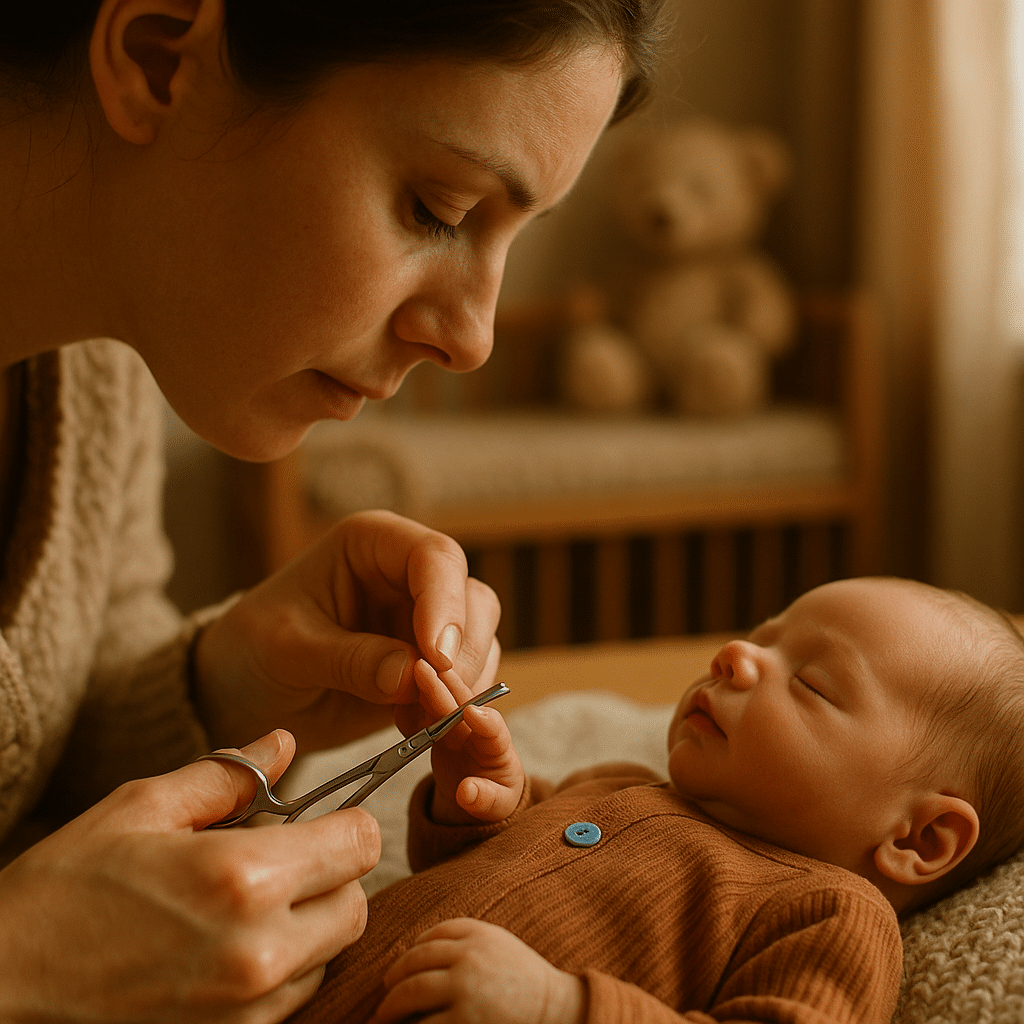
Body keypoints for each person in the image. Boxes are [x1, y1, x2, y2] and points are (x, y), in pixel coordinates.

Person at [0, 1, 667, 1020]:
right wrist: (26, 961)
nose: (471, 335)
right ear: (158, 56)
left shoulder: (96, 360)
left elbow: (48, 708)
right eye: (437, 207)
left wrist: (225, 681)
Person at [283, 576, 1024, 1024]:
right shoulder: (613, 782)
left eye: (813, 683)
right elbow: (462, 868)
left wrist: (559, 1008)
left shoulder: (829, 913)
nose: (737, 656)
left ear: (920, 839)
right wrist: (470, 796)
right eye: (762, 637)